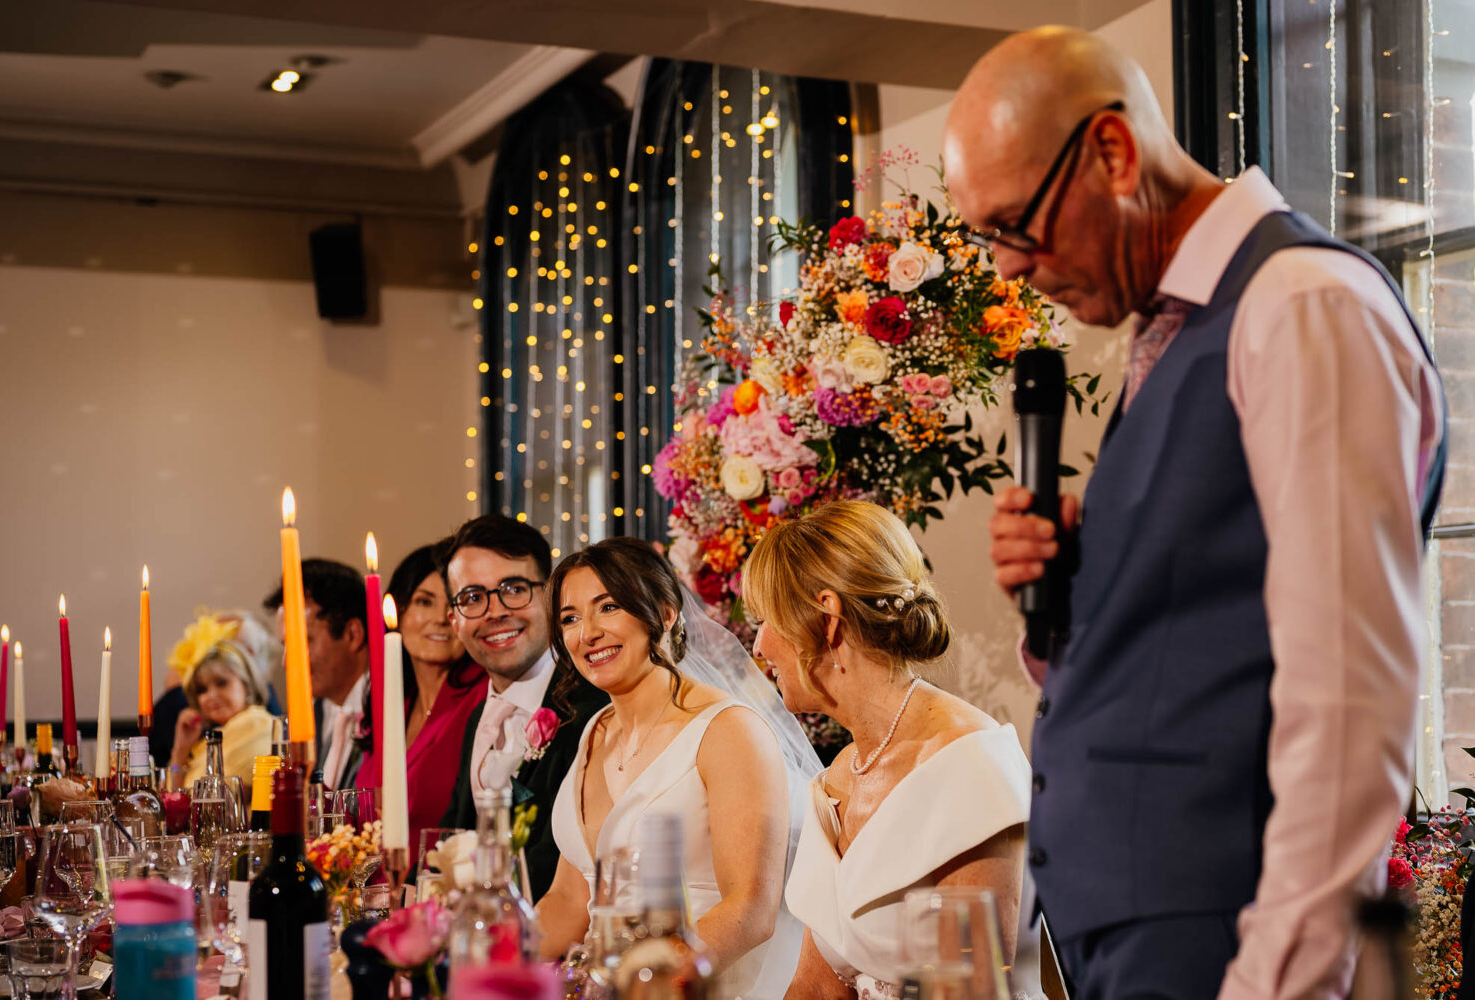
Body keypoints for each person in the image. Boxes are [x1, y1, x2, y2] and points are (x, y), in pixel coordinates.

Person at [947, 26, 1445, 999]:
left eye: (1015, 226)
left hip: (1228, 936)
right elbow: (1200, 639)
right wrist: (1081, 589)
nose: (1008, 269)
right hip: (1137, 935)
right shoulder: (1176, 331)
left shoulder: (1299, 305)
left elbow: (1347, 698)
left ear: (1113, 152)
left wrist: (1280, 979)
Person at [740, 501, 1033, 1000]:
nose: (759, 645)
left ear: (827, 618)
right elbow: (816, 985)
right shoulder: (837, 779)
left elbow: (967, 993)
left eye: (765, 619)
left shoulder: (967, 768)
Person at [537, 537, 814, 1000]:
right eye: (569, 618)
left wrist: (640, 985)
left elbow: (751, 909)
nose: (587, 633)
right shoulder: (594, 733)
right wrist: (488, 958)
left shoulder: (728, 731)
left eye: (607, 608)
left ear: (665, 614)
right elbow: (568, 901)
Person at [439, 516, 607, 902]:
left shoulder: (593, 710)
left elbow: (564, 871)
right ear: (454, 619)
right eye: (472, 597)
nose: (494, 611)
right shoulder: (476, 721)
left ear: (550, 596)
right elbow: (451, 841)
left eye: (514, 588)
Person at [352, 543, 488, 858]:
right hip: (376, 892)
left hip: (437, 891)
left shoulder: (482, 698)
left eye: (454, 603)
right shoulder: (392, 700)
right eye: (424, 602)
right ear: (397, 611)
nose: (441, 618)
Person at [264, 558, 370, 791]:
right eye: (285, 645)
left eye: (301, 643)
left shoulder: (390, 708)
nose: (286, 663)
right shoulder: (313, 714)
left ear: (353, 634)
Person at [166, 612, 276, 788]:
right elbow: (174, 801)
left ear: (246, 684)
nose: (211, 696)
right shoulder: (211, 740)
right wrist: (180, 750)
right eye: (202, 689)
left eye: (222, 683)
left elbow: (211, 799)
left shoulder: (259, 725)